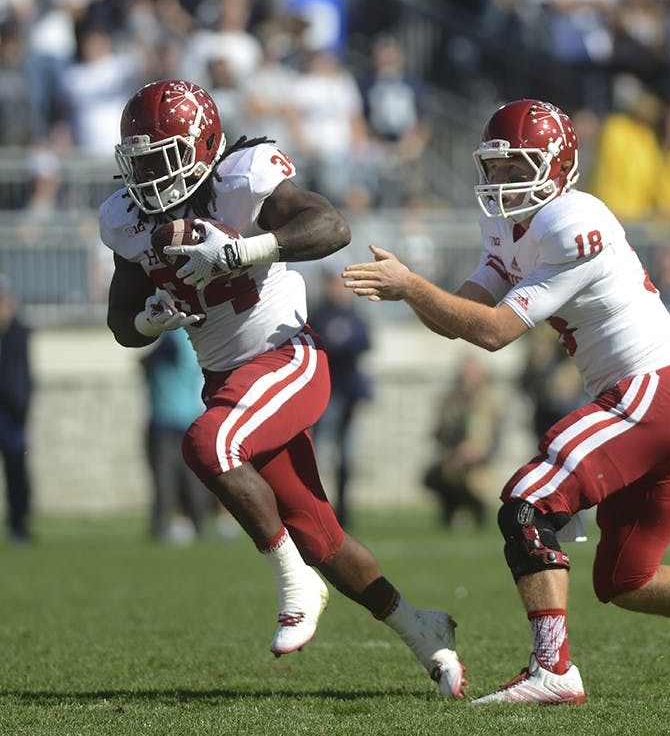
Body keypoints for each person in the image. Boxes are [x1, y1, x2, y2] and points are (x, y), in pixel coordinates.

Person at [343, 98, 670, 704]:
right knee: (626, 578)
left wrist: (413, 286)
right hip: (664, 400)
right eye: (494, 168)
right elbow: (463, 316)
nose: (501, 182)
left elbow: (495, 331)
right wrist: (412, 291)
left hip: (651, 392)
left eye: (516, 166)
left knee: (527, 501)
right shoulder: (508, 225)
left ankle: (554, 671)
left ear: (558, 166)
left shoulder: (572, 219)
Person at [99, 79, 465, 698]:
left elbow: (330, 226)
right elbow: (120, 321)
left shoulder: (243, 177)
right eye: (140, 161)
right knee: (321, 534)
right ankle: (423, 629)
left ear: (204, 146)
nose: (150, 176)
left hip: (286, 358)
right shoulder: (126, 220)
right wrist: (148, 318)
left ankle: (294, 582)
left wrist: (246, 251)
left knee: (207, 445)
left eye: (163, 157)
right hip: (229, 380)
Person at [310, 267, 373, 530]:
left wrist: (341, 345)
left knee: (346, 456)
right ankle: (317, 509)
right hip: (325, 394)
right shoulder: (319, 314)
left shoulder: (354, 315)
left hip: (348, 395)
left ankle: (343, 511)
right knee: (321, 453)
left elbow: (364, 342)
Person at [139, 330, 212, 543]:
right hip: (191, 417)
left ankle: (160, 526)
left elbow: (147, 361)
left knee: (164, 478)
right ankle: (199, 525)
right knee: (193, 478)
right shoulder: (199, 339)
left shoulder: (173, 336)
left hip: (166, 417)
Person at [422, 355, 504, 530]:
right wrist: (457, 448)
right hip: (454, 459)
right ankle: (450, 509)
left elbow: (496, 438)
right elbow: (439, 433)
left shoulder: (492, 402)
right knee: (435, 476)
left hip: (480, 465)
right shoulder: (450, 401)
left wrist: (480, 451)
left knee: (476, 483)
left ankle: (478, 510)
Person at [0, 275, 33, 544]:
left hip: (12, 414)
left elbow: (23, 375)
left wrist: (22, 404)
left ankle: (19, 525)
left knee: (16, 470)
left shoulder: (20, 332)